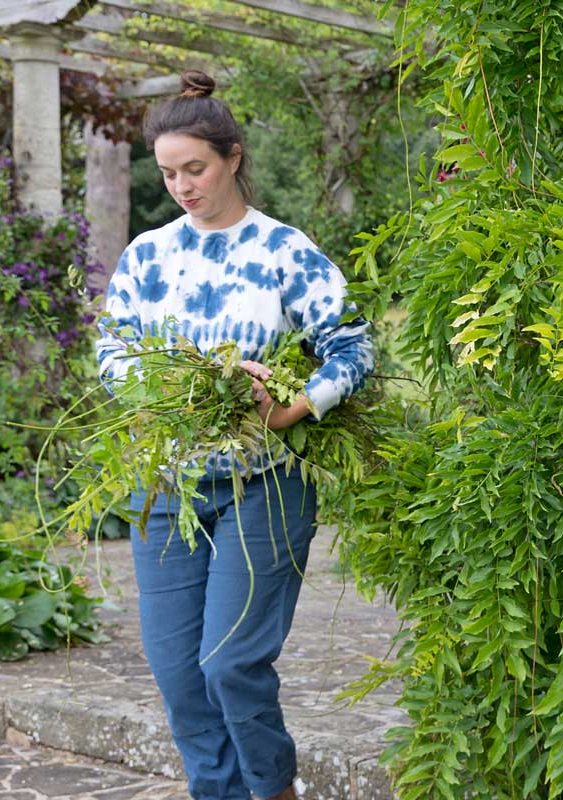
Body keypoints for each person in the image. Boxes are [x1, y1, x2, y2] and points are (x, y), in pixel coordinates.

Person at [94, 70, 374, 800]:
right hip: (166, 486)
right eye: (168, 173)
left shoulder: (285, 251)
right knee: (180, 677)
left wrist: (292, 407)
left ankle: (272, 790)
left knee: (230, 665)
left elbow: (353, 347)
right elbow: (111, 349)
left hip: (264, 485)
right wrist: (167, 388)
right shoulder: (148, 256)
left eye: (196, 169)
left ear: (234, 158)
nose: (182, 186)